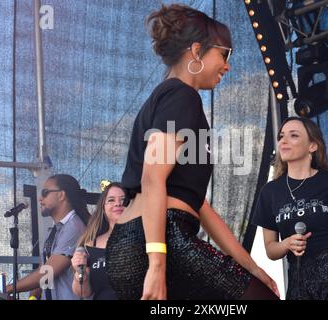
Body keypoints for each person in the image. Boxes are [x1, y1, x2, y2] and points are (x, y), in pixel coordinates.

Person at [105, 4, 280, 300]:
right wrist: (157, 264)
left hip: (139, 242)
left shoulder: (168, 99)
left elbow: (199, 205)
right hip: (161, 239)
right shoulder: (181, 95)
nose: (227, 66)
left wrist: (252, 268)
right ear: (197, 51)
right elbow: (151, 178)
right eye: (225, 54)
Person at [252, 116, 328, 300]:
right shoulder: (270, 192)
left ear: (312, 146)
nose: (284, 141)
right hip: (300, 283)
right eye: (281, 136)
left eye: (294, 135)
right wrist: (287, 243)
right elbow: (271, 250)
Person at [5, 174, 89, 300]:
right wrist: (33, 297)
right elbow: (45, 269)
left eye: (45, 192)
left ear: (61, 195)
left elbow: (49, 270)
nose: (40, 199)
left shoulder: (74, 228)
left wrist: (8, 289)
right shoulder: (54, 230)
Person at [71, 182, 126, 300]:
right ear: (103, 208)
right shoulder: (91, 245)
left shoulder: (145, 240)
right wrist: (80, 274)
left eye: (123, 199)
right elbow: (84, 293)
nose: (118, 203)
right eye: (111, 200)